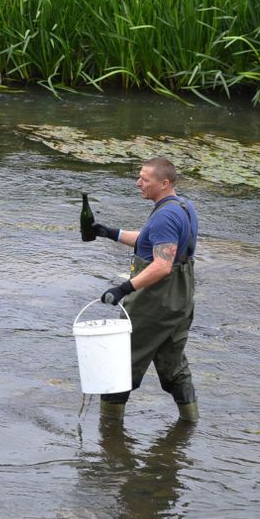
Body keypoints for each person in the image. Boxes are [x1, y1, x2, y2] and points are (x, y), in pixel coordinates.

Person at [88, 157, 200, 422]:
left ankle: (109, 436)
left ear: (163, 183)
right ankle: (189, 424)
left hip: (156, 300)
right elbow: (153, 240)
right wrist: (111, 233)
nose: (138, 183)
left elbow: (162, 265)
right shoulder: (182, 206)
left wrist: (123, 288)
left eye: (144, 179)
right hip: (180, 298)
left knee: (121, 364)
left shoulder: (166, 216)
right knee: (172, 365)